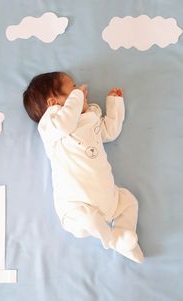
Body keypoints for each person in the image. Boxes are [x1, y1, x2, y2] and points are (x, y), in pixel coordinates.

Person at [23, 71, 144, 263]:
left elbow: (109, 132)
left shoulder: (88, 118)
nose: (79, 90)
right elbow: (65, 123)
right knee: (89, 220)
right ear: (54, 103)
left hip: (107, 196)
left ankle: (124, 236)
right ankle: (112, 240)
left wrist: (114, 106)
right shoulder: (51, 125)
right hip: (75, 206)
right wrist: (78, 97)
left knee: (129, 202)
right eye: (72, 88)